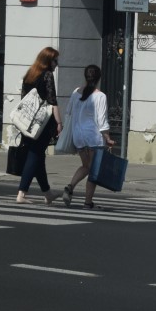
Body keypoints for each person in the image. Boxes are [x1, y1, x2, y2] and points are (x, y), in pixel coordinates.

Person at [62, 64, 114, 209]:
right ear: (98, 78)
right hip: (93, 137)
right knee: (93, 170)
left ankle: (70, 186)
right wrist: (108, 138)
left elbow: (68, 113)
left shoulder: (75, 92)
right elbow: (102, 121)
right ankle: (87, 202)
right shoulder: (100, 96)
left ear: (85, 76)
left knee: (86, 166)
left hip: (78, 136)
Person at [16, 46, 63, 205]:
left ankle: (47, 193)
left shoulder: (30, 74)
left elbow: (24, 99)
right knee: (35, 155)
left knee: (38, 157)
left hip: (26, 123)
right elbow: (52, 101)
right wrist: (59, 123)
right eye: (55, 61)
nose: (57, 64)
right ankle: (22, 193)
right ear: (48, 61)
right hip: (42, 124)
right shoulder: (47, 75)